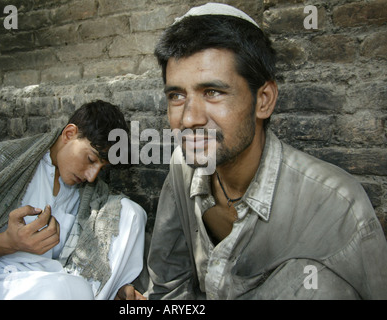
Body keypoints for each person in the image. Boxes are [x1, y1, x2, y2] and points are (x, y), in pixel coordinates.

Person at [147, 3, 387, 299]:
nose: (188, 118)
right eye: (176, 95)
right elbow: (168, 284)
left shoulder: (337, 206)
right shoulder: (183, 165)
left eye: (213, 92)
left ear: (264, 100)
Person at [0, 100, 147, 300]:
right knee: (61, 292)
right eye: (91, 159)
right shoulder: (4, 162)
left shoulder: (89, 194)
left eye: (101, 168)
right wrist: (9, 243)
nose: (92, 176)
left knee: (130, 212)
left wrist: (117, 285)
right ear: (69, 133)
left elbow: (88, 251)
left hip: (53, 276)